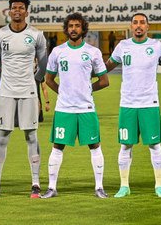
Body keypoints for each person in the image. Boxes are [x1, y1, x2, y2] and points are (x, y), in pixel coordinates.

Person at [106, 13, 161, 198]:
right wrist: (87, 74)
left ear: (148, 26)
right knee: (125, 145)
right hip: (128, 103)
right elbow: (107, 66)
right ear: (131, 26)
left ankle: (159, 185)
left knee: (155, 145)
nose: (139, 26)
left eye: (142, 23)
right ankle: (124, 186)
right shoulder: (123, 46)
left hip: (149, 103)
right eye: (135, 22)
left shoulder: (156, 46)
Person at [41, 13, 109, 199]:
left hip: (86, 108)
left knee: (95, 145)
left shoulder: (93, 52)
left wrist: (87, 90)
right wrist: (63, 92)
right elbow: (48, 79)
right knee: (57, 146)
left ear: (83, 29)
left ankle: (99, 187)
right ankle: (52, 188)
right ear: (66, 29)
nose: (73, 29)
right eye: (70, 26)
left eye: (77, 26)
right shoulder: (57, 51)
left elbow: (104, 81)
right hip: (64, 109)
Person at [0, 0, 47, 199]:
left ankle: (36, 184)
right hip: (6, 93)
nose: (17, 11)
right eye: (14, 8)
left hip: (28, 92)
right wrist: (6, 81)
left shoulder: (36, 35)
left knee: (31, 136)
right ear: (9, 12)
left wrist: (33, 81)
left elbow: (43, 63)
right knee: (2, 136)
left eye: (21, 8)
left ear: (27, 12)